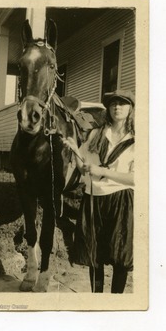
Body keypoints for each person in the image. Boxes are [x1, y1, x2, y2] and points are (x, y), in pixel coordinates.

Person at [63, 89, 135, 293]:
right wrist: (74, 149)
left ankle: (116, 301)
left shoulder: (137, 139)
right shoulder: (96, 134)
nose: (117, 107)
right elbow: (82, 166)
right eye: (113, 103)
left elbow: (136, 178)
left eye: (123, 103)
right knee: (94, 253)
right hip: (93, 198)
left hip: (121, 199)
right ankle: (97, 298)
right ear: (108, 109)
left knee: (121, 255)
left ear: (131, 109)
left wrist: (102, 171)